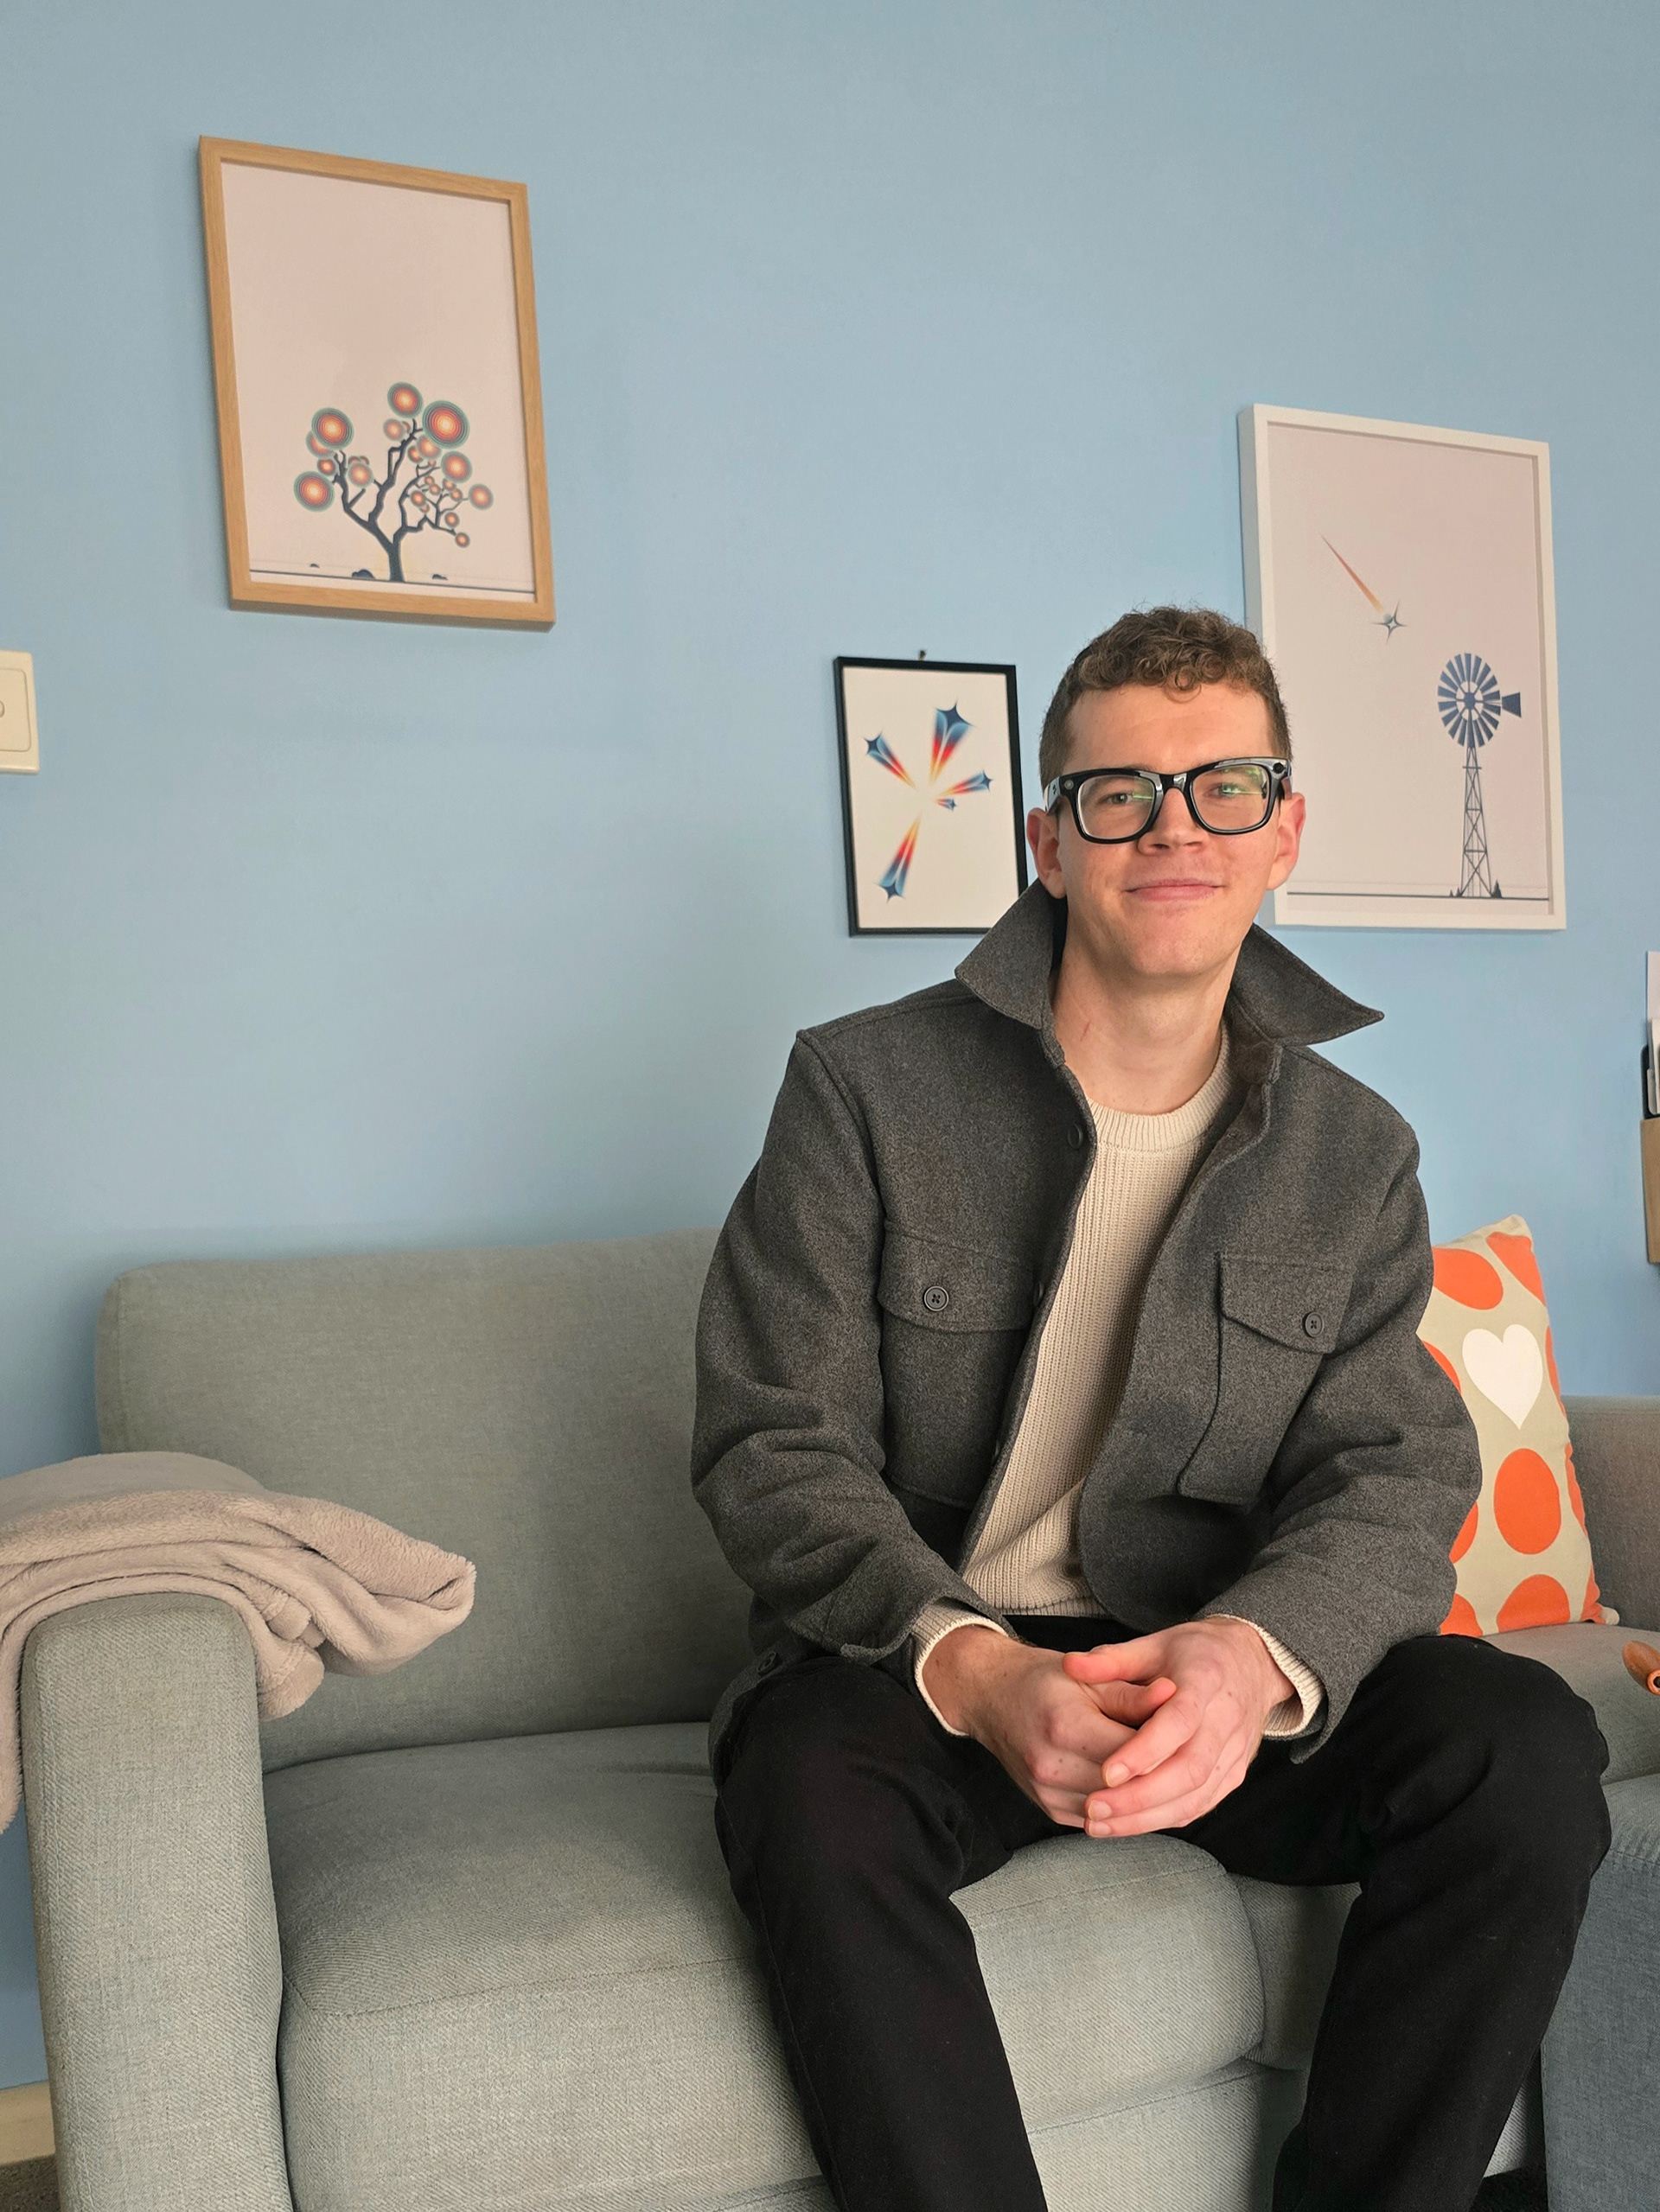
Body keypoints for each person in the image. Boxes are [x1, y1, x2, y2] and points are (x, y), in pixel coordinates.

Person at [691, 607, 1609, 2212]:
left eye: (1223, 787)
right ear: (1051, 840)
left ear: (1286, 835)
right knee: (799, 1779)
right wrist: (970, 1669)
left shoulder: (1358, 1152)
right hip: (932, 1666)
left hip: (1211, 1680)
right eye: (1119, 794)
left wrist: (1250, 1661)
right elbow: (774, 1442)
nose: (1174, 827)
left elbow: (1391, 1474)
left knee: (1523, 1742)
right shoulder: (860, 1089)